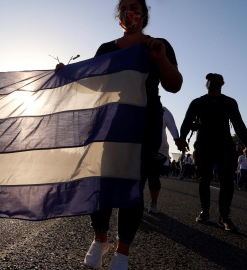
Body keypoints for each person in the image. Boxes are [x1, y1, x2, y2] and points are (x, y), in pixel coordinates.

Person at [54, 1, 182, 269]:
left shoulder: (158, 45)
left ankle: (122, 252)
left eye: (134, 6)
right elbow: (95, 86)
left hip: (145, 121)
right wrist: (69, 76)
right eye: (124, 7)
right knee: (101, 181)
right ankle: (100, 240)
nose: (129, 12)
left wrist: (159, 58)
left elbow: (175, 84)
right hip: (111, 120)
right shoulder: (107, 49)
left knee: (132, 184)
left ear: (144, 14)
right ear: (119, 16)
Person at [177, 73, 247, 231]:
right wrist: (182, 138)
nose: (212, 82)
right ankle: (205, 212)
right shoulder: (198, 102)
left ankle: (224, 217)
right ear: (208, 84)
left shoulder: (229, 102)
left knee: (226, 182)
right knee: (204, 179)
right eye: (210, 80)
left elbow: (238, 124)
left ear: (222, 83)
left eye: (214, 80)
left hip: (224, 146)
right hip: (204, 145)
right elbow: (186, 122)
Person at [147, 106, 179, 214]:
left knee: (153, 176)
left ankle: (153, 202)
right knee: (137, 177)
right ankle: (135, 202)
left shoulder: (163, 110)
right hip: (139, 148)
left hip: (159, 150)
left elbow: (172, 126)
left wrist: (177, 140)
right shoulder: (136, 104)